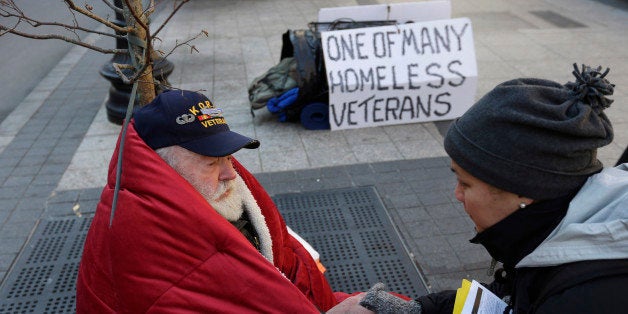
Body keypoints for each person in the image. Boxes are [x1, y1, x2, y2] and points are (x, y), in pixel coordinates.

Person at [351, 64, 628, 313]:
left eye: (466, 183)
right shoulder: (554, 227)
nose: (457, 195)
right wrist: (416, 310)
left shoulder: (586, 298)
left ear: (524, 189)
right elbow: (511, 297)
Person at [76, 90, 353, 312]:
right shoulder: (139, 232)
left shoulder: (209, 190)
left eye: (228, 157)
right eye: (210, 163)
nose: (230, 174)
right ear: (163, 166)